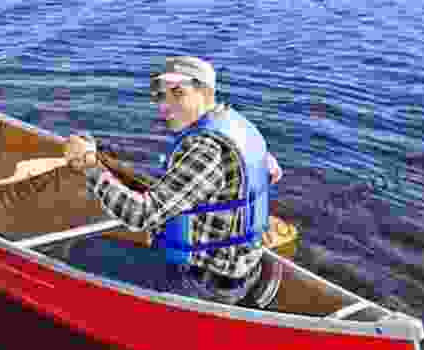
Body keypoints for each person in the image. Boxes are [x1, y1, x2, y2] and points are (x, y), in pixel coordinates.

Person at [64, 55, 284, 307]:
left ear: (206, 92)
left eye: (178, 93)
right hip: (245, 269)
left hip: (204, 284)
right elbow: (269, 171)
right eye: (160, 96)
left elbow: (140, 215)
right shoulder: (236, 126)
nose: (164, 106)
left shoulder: (206, 149)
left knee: (83, 252)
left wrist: (91, 168)